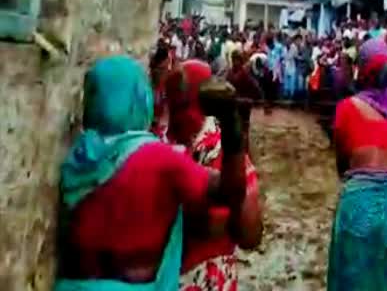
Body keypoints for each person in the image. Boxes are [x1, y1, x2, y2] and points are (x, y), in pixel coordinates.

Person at [54, 55, 249, 290]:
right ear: (140, 98)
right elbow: (232, 190)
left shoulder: (77, 160)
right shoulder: (159, 159)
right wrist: (232, 123)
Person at [328, 38, 387, 290]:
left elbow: (342, 165)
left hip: (362, 198)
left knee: (355, 274)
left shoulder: (346, 108)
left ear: (362, 69)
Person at [166, 60, 263, 291]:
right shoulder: (172, 144)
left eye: (180, 106)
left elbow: (250, 234)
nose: (173, 119)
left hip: (204, 277)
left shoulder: (218, 149)